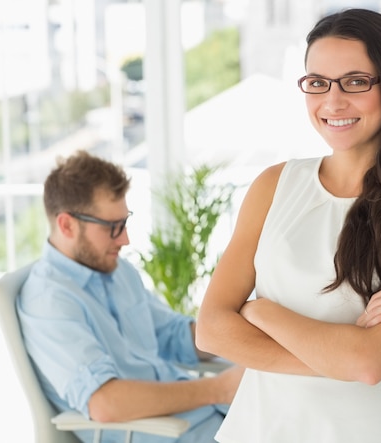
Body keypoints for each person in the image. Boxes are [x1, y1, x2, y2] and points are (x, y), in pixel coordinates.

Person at [196, 8, 381, 443]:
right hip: (256, 431)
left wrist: (260, 311)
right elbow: (211, 329)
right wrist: (341, 354)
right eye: (317, 83)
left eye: (356, 82)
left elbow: (372, 364)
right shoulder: (273, 185)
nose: (332, 101)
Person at [17, 150, 244, 443]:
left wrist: (236, 332)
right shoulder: (48, 302)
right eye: (113, 228)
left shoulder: (117, 271)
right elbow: (105, 403)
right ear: (67, 225)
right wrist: (220, 389)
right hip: (175, 433)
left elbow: (173, 335)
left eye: (124, 223)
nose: (125, 239)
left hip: (212, 420)